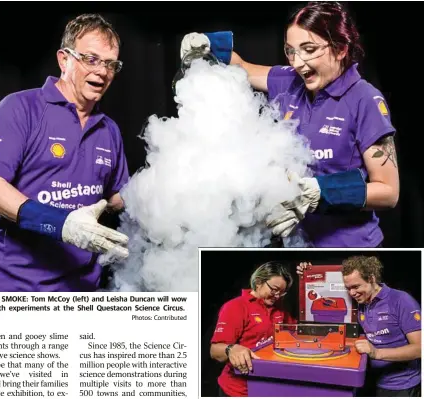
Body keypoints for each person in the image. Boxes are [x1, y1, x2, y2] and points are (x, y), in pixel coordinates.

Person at [180, 2, 399, 247]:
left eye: (308, 49)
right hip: (295, 244)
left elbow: (389, 192)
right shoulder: (290, 81)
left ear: (340, 49)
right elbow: (240, 67)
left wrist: (320, 192)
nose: (297, 62)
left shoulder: (365, 99)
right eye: (291, 50)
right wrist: (207, 44)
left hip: (348, 247)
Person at [0, 14, 130, 292]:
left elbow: (115, 197)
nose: (102, 72)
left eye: (111, 64)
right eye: (91, 59)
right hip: (10, 289)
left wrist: (164, 189)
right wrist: (62, 225)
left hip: (79, 291)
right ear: (64, 59)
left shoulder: (109, 130)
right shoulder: (20, 108)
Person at [297, 257, 421, 396]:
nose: (351, 293)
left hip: (401, 386)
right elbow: (324, 293)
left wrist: (377, 353)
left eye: (356, 286)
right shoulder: (361, 302)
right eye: (348, 288)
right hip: (372, 380)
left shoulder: (400, 300)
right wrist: (307, 273)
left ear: (371, 278)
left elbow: (420, 348)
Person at [210, 262, 297, 397]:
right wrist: (231, 349)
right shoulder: (235, 307)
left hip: (269, 388)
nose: (277, 296)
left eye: (281, 292)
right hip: (238, 391)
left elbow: (295, 332)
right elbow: (215, 351)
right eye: (274, 289)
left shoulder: (279, 309)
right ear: (258, 282)